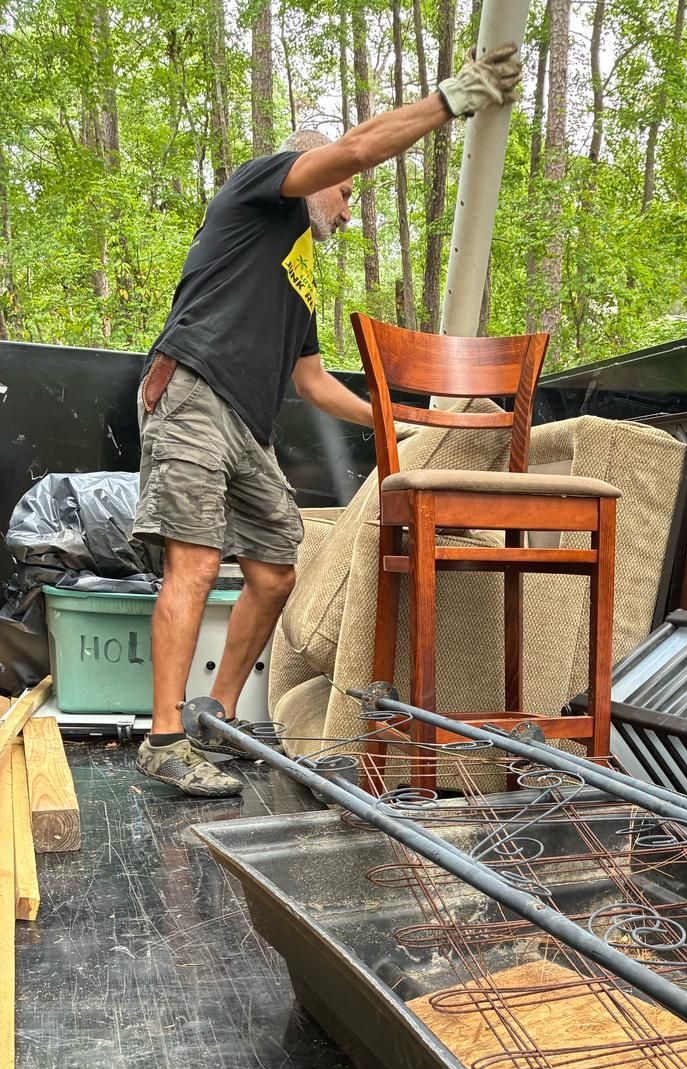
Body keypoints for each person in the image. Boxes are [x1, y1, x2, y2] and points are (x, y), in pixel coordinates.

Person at [132, 44, 522, 796]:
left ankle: (216, 717)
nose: (349, 209)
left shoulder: (295, 270)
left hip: (249, 425)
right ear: (313, 175)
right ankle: (165, 738)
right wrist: (453, 99)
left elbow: (312, 382)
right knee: (196, 563)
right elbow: (351, 148)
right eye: (347, 193)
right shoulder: (260, 190)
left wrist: (410, 419)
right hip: (192, 392)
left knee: (277, 568)